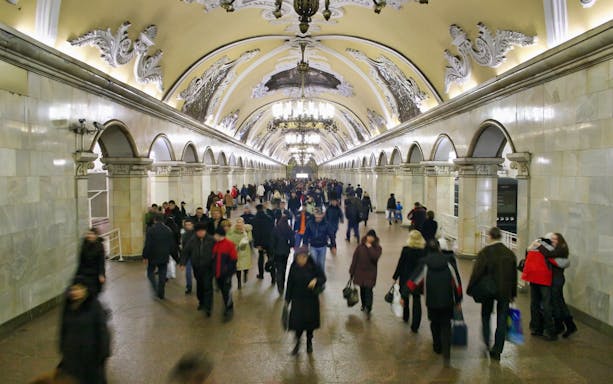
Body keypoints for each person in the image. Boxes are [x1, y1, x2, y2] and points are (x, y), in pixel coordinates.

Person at [407, 240, 463, 366]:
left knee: (434, 323)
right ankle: (446, 352)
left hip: (431, 301)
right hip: (447, 300)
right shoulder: (449, 262)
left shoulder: (425, 264)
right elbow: (457, 282)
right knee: (446, 324)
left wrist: (404, 294)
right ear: (439, 248)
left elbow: (414, 281)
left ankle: (437, 346)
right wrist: (458, 300)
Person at [467, 227, 517, 361]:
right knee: (502, 318)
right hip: (505, 290)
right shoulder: (509, 253)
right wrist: (513, 292)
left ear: (490, 236)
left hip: (488, 290)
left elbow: (477, 272)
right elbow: (514, 275)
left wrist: (471, 287)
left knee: (486, 314)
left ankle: (486, 341)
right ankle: (498, 349)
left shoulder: (485, 252)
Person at [58, 276, 110, 384]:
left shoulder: (94, 306)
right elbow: (63, 328)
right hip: (72, 357)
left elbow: (102, 332)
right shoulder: (68, 306)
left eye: (80, 288)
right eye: (74, 288)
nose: (76, 292)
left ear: (86, 290)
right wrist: (62, 347)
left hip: (91, 357)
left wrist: (103, 354)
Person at [533, 233, 577, 338]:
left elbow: (547, 254)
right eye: (551, 239)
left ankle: (568, 325)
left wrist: (539, 245)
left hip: (557, 280)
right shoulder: (556, 248)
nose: (553, 240)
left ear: (560, 240)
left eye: (555, 239)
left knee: (558, 303)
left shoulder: (561, 249)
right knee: (557, 303)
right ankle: (561, 325)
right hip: (554, 279)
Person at [285, 247, 327, 356]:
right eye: (299, 258)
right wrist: (287, 300)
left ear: (307, 257)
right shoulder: (294, 267)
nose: (301, 260)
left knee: (310, 324)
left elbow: (323, 278)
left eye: (303, 257)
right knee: (297, 324)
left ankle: (309, 342)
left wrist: (316, 280)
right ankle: (297, 344)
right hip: (297, 299)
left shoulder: (314, 266)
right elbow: (289, 284)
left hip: (310, 300)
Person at [522, 238, 557, 340]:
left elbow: (527, 254)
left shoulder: (531, 249)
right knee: (546, 304)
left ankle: (536, 328)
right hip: (544, 280)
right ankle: (549, 331)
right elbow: (554, 260)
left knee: (534, 303)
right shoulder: (547, 251)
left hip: (532, 278)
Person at [393, 230, 426, 332]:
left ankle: (406, 317)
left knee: (405, 298)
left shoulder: (406, 250)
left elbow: (401, 263)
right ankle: (415, 325)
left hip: (406, 277)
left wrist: (395, 276)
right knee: (416, 301)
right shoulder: (424, 251)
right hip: (417, 280)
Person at [181, 223, 215, 315]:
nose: (200, 233)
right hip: (197, 267)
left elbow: (217, 253)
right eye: (198, 231)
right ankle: (201, 302)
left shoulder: (211, 240)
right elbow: (186, 252)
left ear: (205, 231)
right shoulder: (192, 240)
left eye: (202, 231)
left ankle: (208, 307)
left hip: (208, 268)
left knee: (208, 286)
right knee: (200, 286)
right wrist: (183, 263)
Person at [142, 214, 178, 299]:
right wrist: (177, 258)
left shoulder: (151, 230)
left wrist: (145, 256)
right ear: (163, 220)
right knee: (162, 274)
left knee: (150, 272)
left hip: (153, 256)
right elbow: (172, 245)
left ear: (155, 220)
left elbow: (148, 244)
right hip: (164, 256)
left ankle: (155, 287)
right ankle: (161, 293)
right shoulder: (168, 230)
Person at [349, 229, 382, 319]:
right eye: (369, 236)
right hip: (360, 273)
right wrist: (351, 272)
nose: (370, 238)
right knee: (362, 290)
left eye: (372, 237)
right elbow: (354, 260)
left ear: (374, 238)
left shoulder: (377, 248)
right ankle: (364, 305)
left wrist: (369, 247)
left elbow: (375, 257)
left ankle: (368, 306)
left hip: (370, 273)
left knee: (369, 290)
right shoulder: (360, 247)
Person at [212, 226, 238, 321]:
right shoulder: (216, 244)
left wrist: (228, 272)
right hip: (218, 274)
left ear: (219, 235)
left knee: (226, 291)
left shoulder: (229, 245)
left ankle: (228, 309)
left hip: (226, 274)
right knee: (223, 291)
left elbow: (234, 260)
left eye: (215, 234)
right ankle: (228, 305)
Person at [75, 228, 106, 297]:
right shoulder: (84, 244)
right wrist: (77, 274)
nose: (89, 236)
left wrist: (101, 274)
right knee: (83, 292)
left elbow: (101, 261)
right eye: (89, 234)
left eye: (92, 234)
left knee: (92, 293)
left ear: (96, 236)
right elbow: (81, 261)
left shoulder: (100, 246)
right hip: (84, 273)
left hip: (94, 274)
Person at [226, 218, 253, 290]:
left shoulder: (246, 231)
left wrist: (245, 233)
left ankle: (245, 274)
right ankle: (239, 282)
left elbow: (250, 239)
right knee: (238, 268)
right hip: (236, 252)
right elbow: (228, 238)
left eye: (240, 222)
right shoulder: (232, 231)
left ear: (243, 223)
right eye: (237, 222)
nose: (239, 224)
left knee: (246, 266)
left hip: (245, 252)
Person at [271, 215, 295, 295]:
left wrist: (273, 249)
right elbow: (292, 240)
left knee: (279, 269)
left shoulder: (276, 228)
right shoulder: (288, 229)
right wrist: (290, 246)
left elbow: (272, 241)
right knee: (284, 268)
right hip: (285, 252)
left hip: (277, 252)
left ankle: (279, 286)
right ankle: (283, 284)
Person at [252, 204, 275, 282]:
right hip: (269, 242)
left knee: (261, 258)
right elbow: (273, 230)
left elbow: (255, 233)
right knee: (271, 258)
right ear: (263, 209)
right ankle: (273, 277)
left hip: (260, 243)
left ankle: (261, 275)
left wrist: (257, 244)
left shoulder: (254, 219)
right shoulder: (269, 218)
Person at [181, 219, 195, 294]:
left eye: (189, 225)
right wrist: (182, 262)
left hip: (197, 256)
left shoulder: (197, 233)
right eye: (186, 225)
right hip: (189, 257)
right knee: (188, 272)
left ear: (192, 225)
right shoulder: (184, 235)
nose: (187, 226)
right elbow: (184, 249)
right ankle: (189, 286)